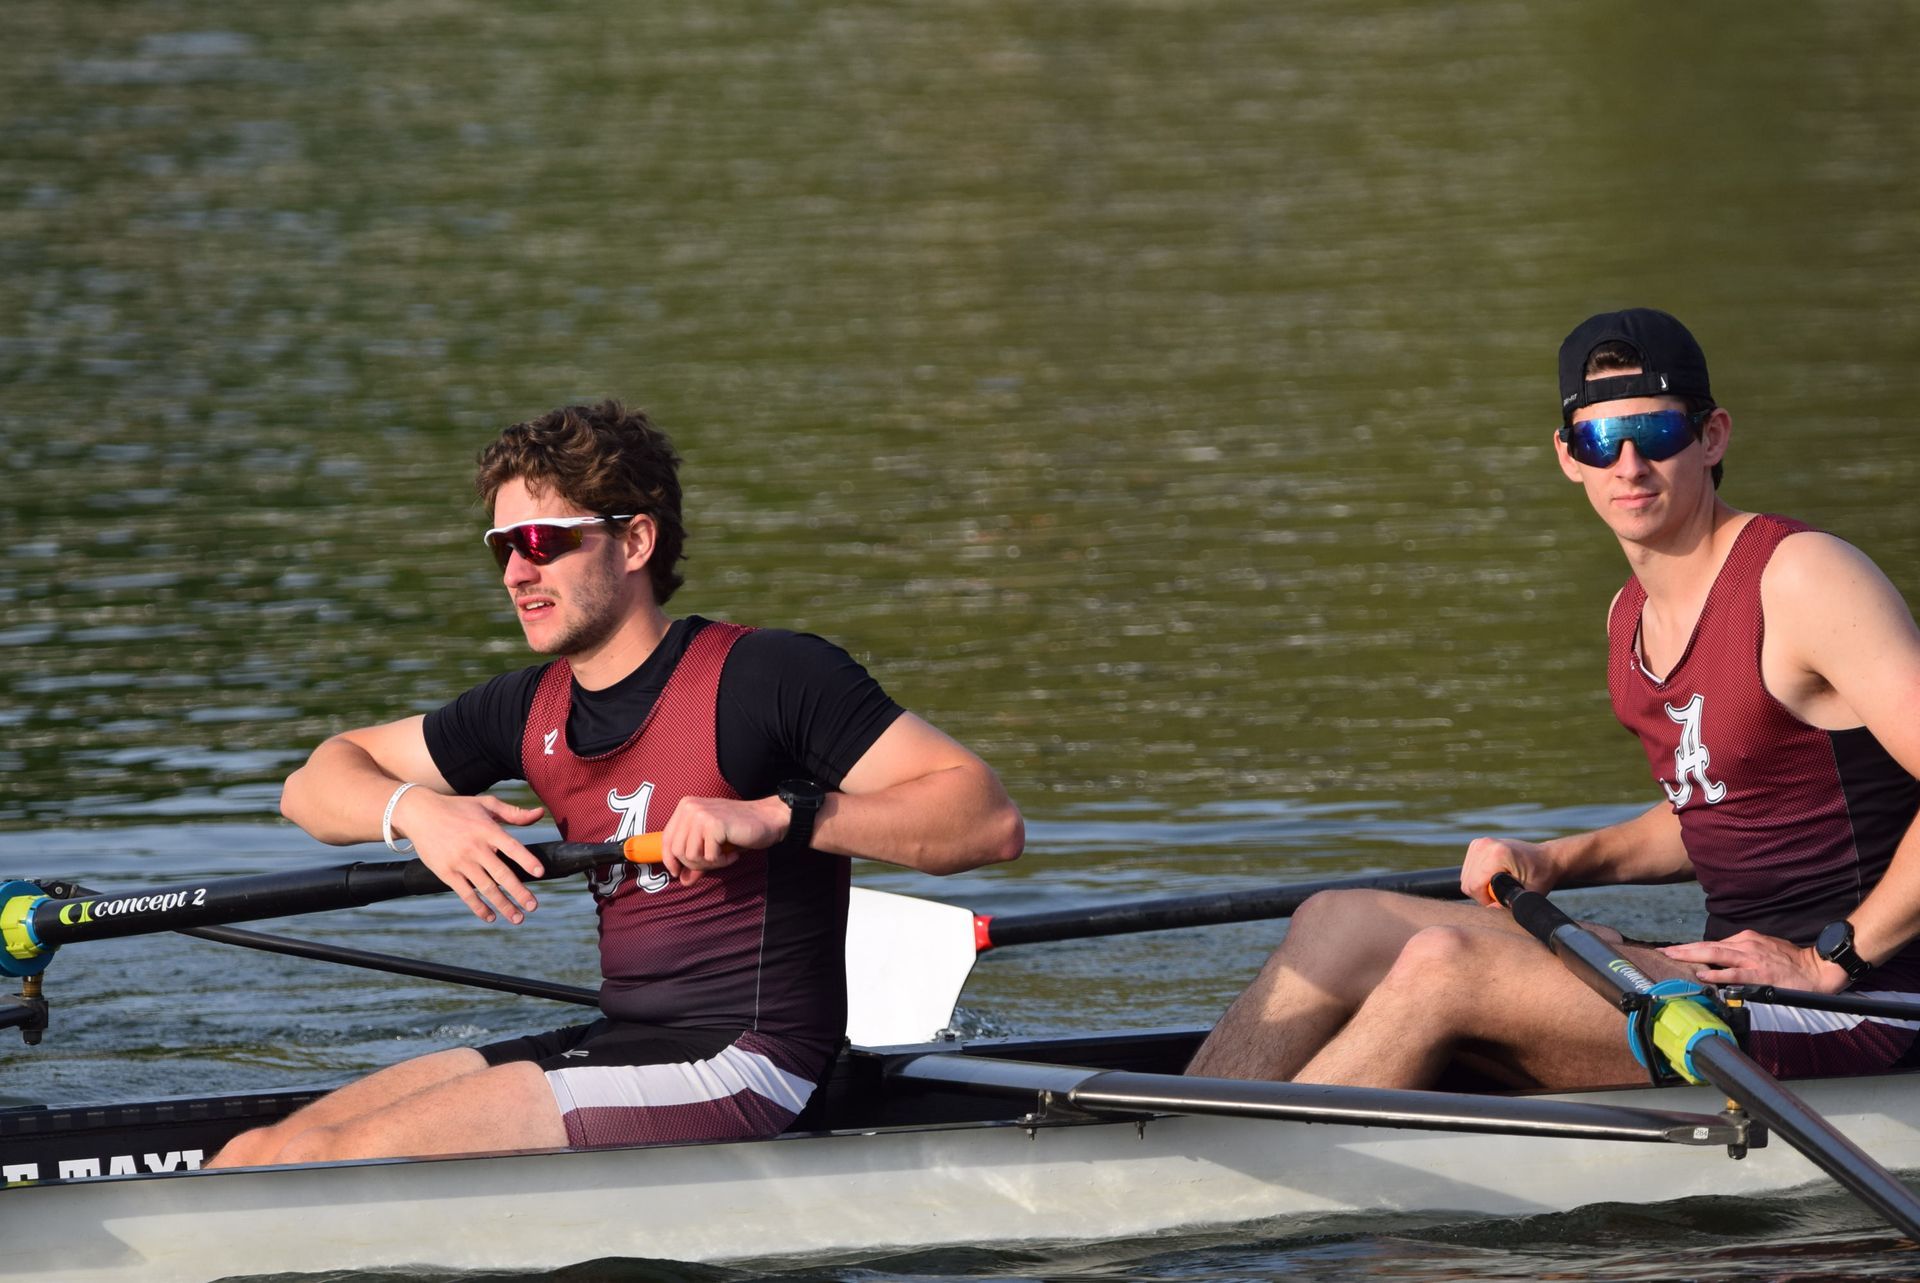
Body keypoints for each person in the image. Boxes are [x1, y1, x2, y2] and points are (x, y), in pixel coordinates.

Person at [211, 399, 1024, 1166]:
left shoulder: (765, 677)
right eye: (502, 547)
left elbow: (985, 818)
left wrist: (782, 815)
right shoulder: (527, 708)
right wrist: (416, 811)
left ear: (635, 541)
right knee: (261, 1154)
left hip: (753, 1063)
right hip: (622, 1039)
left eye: (541, 541)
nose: (514, 575)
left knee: (332, 1162)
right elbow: (311, 783)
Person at [1187, 308, 1920, 1091]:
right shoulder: (1626, 619)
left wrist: (1830, 958)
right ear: (1569, 457)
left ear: (1712, 438)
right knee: (1337, 920)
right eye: (1602, 441)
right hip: (1725, 983)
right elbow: (1718, 805)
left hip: (1866, 1004)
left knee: (1447, 964)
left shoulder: (1802, 576)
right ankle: (1177, 1134)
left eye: (1657, 434)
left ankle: (1207, 1182)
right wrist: (1554, 860)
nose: (1629, 466)